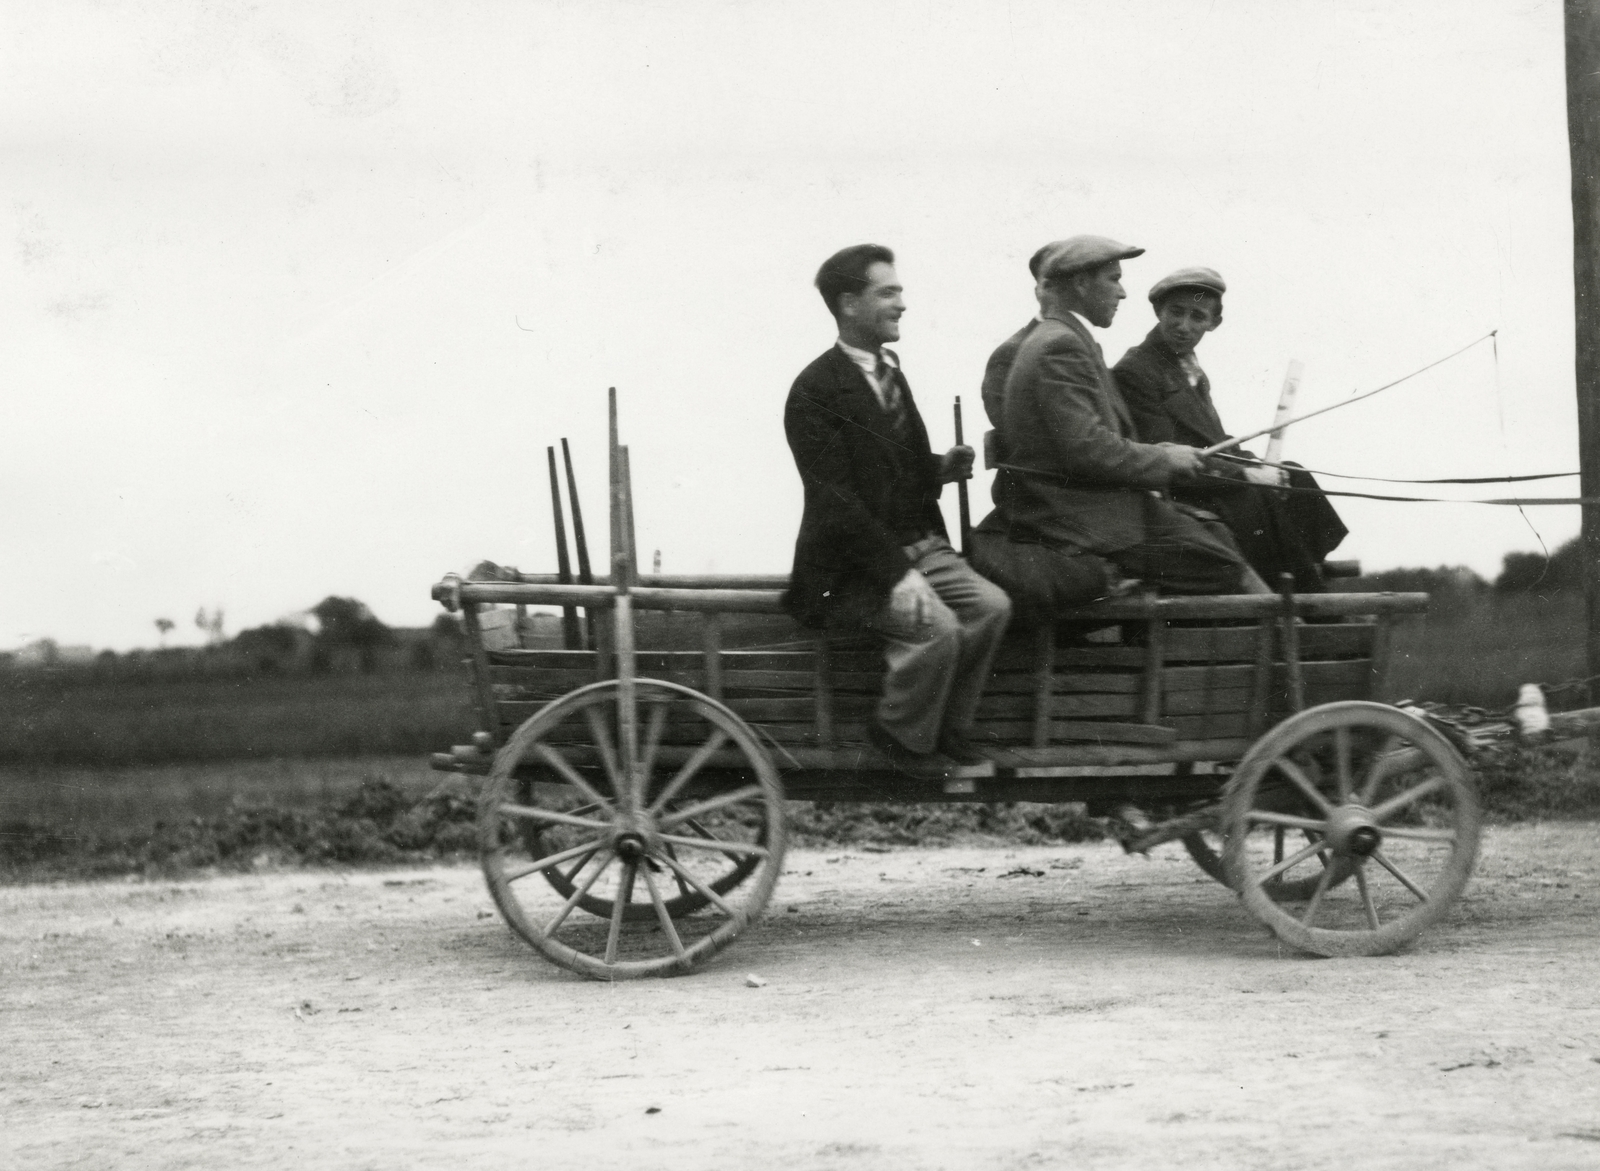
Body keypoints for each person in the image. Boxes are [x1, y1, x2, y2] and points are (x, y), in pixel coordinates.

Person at [783, 244, 1012, 769]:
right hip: (852, 568)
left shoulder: (890, 372)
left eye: (899, 292)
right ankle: (898, 738)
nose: (902, 303)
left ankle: (949, 731)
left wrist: (938, 468)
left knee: (992, 608)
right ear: (848, 304)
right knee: (940, 629)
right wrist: (898, 575)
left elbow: (890, 467)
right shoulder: (814, 390)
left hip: (914, 549)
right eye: (887, 292)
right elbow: (835, 500)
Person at [976, 236, 1265, 598]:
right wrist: (1164, 458)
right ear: (1081, 284)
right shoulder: (1059, 346)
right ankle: (1288, 642)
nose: (1123, 293)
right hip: (1077, 515)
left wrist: (1162, 451)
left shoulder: (1067, 338)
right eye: (1113, 279)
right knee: (1219, 564)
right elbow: (1086, 449)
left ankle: (1289, 633)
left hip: (1096, 505)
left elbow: (1087, 437)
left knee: (1218, 544)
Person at [1113, 267, 1348, 592]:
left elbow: (1215, 441)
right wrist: (1245, 475)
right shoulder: (1136, 370)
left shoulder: (1189, 367)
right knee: (1258, 496)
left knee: (1293, 476)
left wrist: (1260, 467)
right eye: (1176, 312)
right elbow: (1161, 455)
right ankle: (1310, 606)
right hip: (1182, 492)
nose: (1184, 326)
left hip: (1211, 479)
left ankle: (1304, 577)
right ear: (1158, 311)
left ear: (1214, 323)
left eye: (1197, 317)